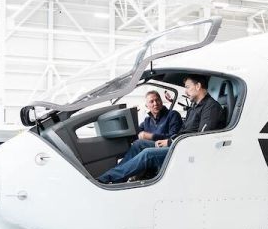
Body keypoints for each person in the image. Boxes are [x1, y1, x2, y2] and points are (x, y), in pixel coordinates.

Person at [97, 75, 226, 184]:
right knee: (138, 144)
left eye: (187, 87)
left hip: (187, 150)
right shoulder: (194, 107)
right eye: (151, 102)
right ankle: (115, 178)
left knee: (148, 153)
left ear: (198, 86)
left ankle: (106, 180)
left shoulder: (211, 107)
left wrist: (169, 142)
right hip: (178, 144)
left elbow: (200, 139)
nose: (186, 91)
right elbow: (183, 132)